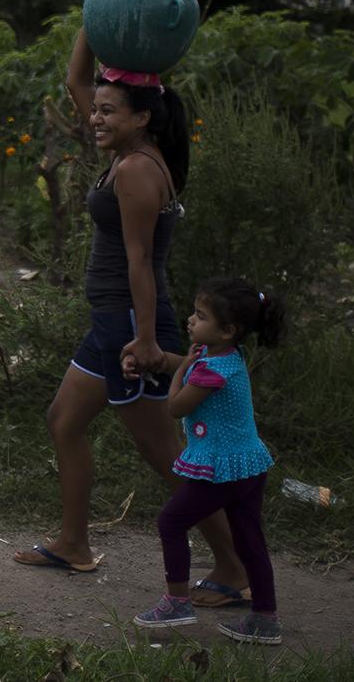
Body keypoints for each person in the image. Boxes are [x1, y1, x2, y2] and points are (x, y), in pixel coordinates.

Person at [13, 27, 248, 601]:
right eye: (95, 110)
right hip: (110, 325)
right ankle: (74, 545)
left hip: (131, 327)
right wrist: (93, 24)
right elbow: (76, 80)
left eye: (108, 110)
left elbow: (141, 263)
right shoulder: (125, 150)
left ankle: (236, 569)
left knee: (166, 455)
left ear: (142, 117)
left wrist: (145, 341)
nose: (94, 117)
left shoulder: (139, 170)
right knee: (63, 421)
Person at [132, 276, 285, 645]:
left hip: (222, 469)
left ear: (228, 330)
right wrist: (172, 363)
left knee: (170, 522)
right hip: (248, 464)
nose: (191, 320)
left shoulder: (210, 370)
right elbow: (188, 368)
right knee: (250, 539)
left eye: (200, 316)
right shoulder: (227, 356)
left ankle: (177, 602)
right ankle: (265, 618)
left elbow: (174, 406)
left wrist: (181, 369)